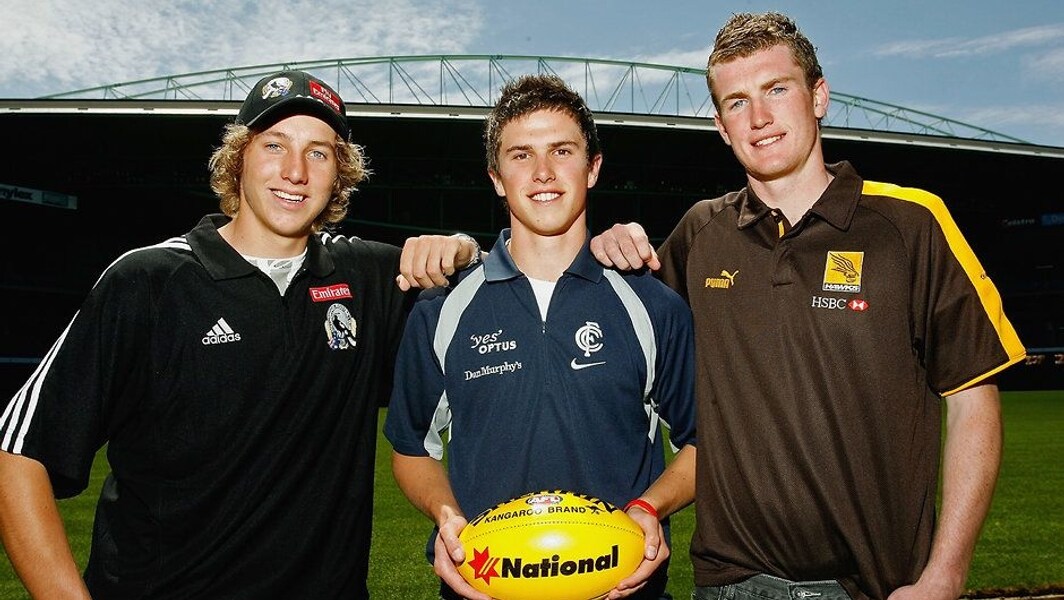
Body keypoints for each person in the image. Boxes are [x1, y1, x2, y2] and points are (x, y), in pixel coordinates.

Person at [590, 12, 1026, 600]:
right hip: (730, 583)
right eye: (737, 102)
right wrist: (602, 243)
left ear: (818, 96)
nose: (759, 118)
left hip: (873, 585)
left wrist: (946, 573)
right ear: (720, 126)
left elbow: (973, 399)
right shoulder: (700, 233)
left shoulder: (910, 224)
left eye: (776, 89)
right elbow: (599, 321)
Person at [0, 70, 479, 599]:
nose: (295, 171)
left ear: (339, 175)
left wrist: (460, 246)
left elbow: (502, 284)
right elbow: (18, 457)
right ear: (238, 158)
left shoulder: (368, 277)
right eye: (275, 145)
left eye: (319, 153)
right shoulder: (148, 280)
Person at [384, 74, 697, 600]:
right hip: (488, 585)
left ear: (593, 167)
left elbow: (700, 443)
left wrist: (649, 508)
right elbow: (412, 448)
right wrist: (447, 516)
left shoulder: (652, 305)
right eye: (521, 155)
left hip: (621, 585)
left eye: (562, 151)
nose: (543, 172)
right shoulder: (441, 310)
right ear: (496, 177)